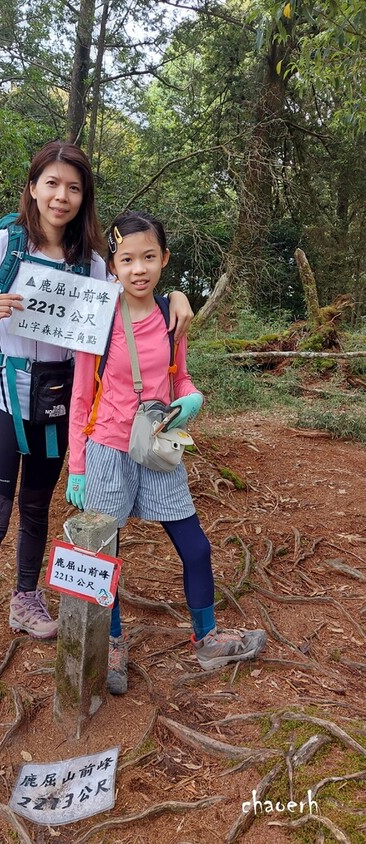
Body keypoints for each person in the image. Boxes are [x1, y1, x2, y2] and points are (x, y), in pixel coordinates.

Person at [0, 143, 194, 717]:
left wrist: (177, 296)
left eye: (73, 188)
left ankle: (25, 598)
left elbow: (133, 297)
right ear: (33, 187)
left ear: (83, 197)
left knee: (36, 509)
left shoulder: (92, 263)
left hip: (55, 403)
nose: (61, 196)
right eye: (51, 183)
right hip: (0, 396)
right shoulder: (3, 245)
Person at [66, 210, 267, 695]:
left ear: (164, 259)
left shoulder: (171, 316)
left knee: (195, 546)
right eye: (127, 259)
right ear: (112, 265)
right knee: (102, 553)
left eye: (149, 257)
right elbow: (80, 396)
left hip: (157, 448)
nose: (139, 269)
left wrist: (191, 398)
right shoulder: (98, 319)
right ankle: (111, 642)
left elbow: (181, 378)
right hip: (107, 449)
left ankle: (207, 639)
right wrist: (77, 467)